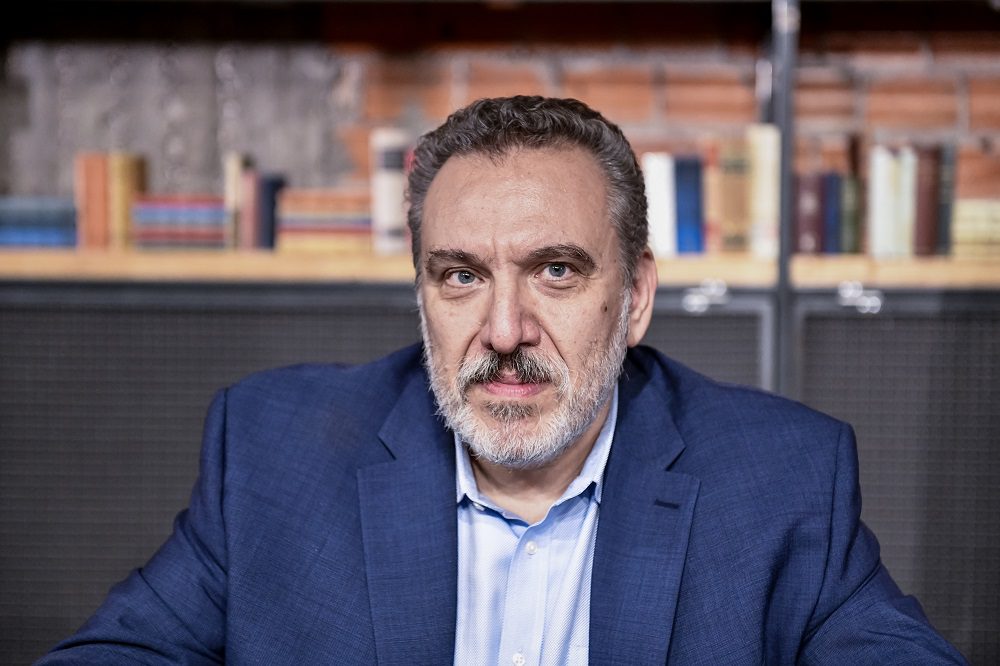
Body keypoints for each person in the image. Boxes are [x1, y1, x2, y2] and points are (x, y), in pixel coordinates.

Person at [38, 95, 966, 665]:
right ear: (421, 292)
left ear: (636, 298)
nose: (505, 331)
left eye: (556, 271)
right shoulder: (270, 456)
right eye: (461, 276)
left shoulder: (783, 481)